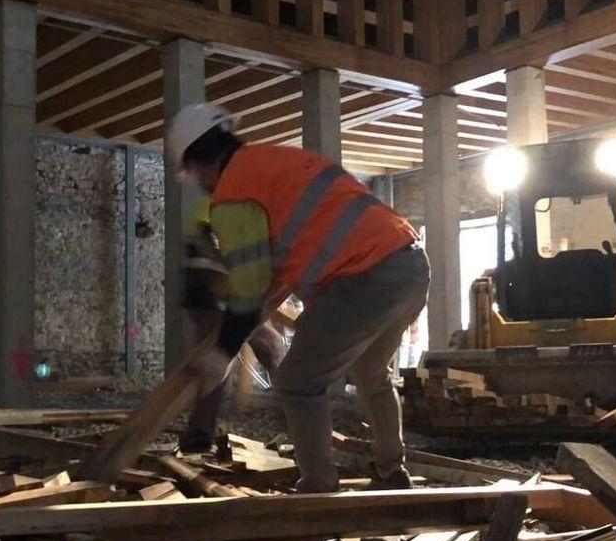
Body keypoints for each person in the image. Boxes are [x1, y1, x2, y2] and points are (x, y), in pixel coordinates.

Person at [166, 103, 430, 492]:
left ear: (198, 161)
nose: (199, 183)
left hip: (364, 278)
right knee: (371, 372)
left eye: (192, 173)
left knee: (297, 381)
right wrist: (240, 330)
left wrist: (222, 352)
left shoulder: (233, 193)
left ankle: (318, 486)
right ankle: (392, 471)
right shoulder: (274, 160)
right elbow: (284, 268)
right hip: (410, 266)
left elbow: (249, 287)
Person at [178, 194, 287, 453]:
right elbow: (208, 247)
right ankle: (199, 434)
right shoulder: (225, 206)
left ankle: (200, 433)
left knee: (261, 348)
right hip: (209, 292)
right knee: (231, 358)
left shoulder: (225, 204)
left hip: (212, 291)